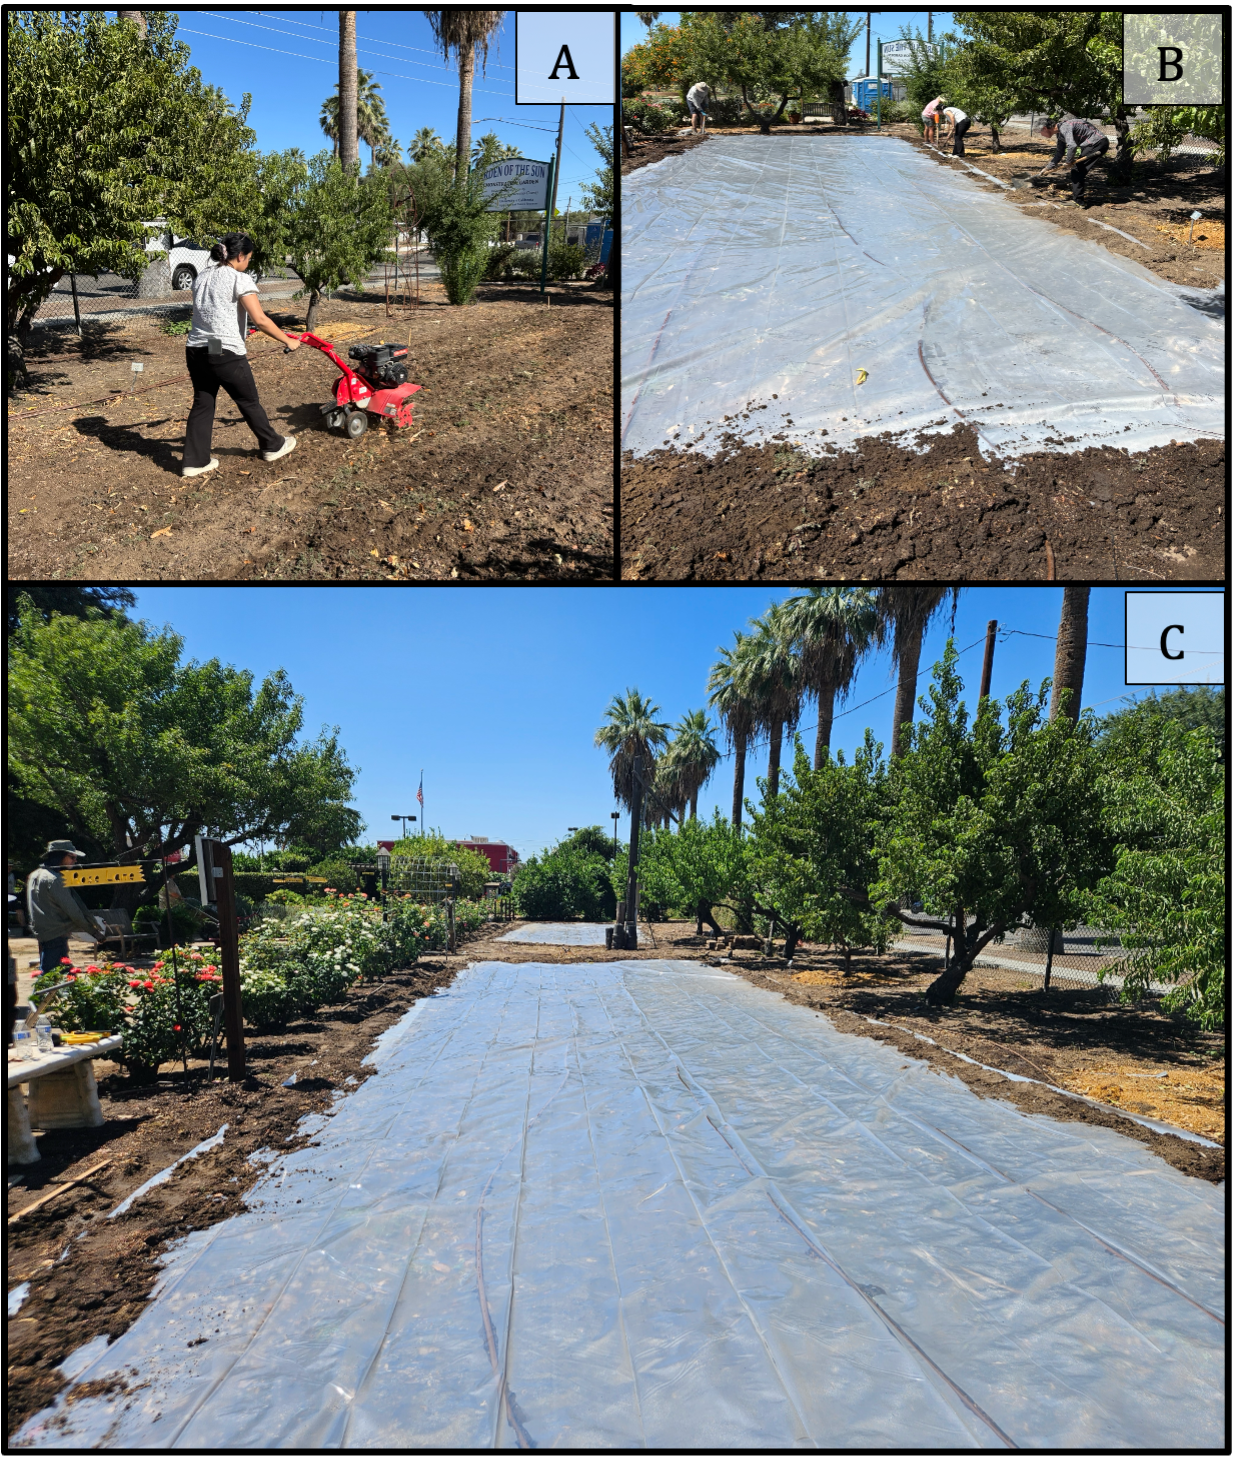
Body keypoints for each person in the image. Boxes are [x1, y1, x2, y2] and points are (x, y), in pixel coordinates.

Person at [181, 232, 302, 479]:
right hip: (223, 350)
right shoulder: (239, 278)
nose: (248, 263)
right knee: (248, 400)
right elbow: (260, 319)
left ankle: (195, 461)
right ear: (240, 256)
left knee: (203, 403)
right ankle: (273, 445)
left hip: (197, 349)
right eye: (249, 258)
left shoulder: (202, 276)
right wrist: (289, 340)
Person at [25, 841, 105, 975]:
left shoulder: (35, 874)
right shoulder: (55, 879)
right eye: (71, 857)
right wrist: (94, 932)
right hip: (56, 935)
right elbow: (74, 912)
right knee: (48, 979)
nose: (75, 860)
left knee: (66, 977)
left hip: (44, 933)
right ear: (59, 856)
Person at [1038, 118, 1110, 206]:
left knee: (1077, 171)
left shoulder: (1065, 127)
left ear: (1045, 128)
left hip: (1097, 143)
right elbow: (1059, 153)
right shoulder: (1060, 134)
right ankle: (1078, 199)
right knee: (1078, 171)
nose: (1041, 135)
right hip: (1093, 144)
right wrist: (1048, 167)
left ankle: (1078, 202)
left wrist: (1069, 162)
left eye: (1040, 132)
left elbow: (1072, 146)